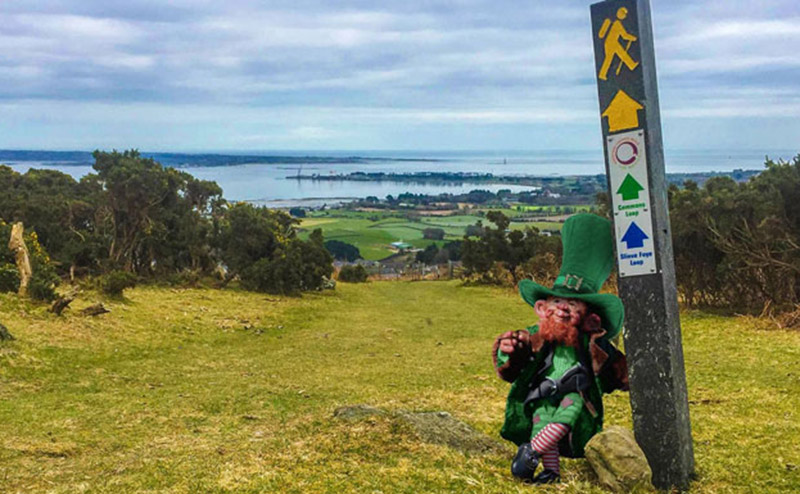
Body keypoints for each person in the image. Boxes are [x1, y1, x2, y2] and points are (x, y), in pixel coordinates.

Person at [492, 214, 629, 483]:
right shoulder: (536, 336)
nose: (563, 308)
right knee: (541, 420)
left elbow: (617, 369)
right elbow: (511, 355)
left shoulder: (594, 344)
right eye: (556, 301)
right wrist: (508, 351)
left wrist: (633, 373)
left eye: (574, 305)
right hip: (540, 393)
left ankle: (530, 453)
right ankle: (551, 471)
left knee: (567, 415)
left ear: (589, 317)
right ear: (543, 308)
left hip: (575, 391)